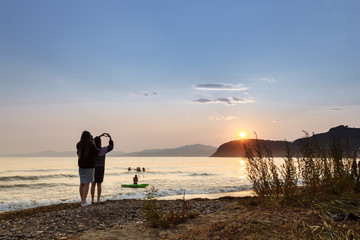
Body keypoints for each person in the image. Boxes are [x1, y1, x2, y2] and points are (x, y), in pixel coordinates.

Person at [76, 131, 99, 207]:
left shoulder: (78, 144)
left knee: (82, 183)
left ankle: (82, 200)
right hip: (89, 166)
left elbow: (78, 153)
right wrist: (93, 142)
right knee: (87, 183)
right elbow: (97, 152)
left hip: (81, 166)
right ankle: (83, 201)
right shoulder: (91, 144)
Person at [91, 133, 114, 203]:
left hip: (93, 168)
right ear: (100, 142)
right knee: (99, 184)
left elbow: (92, 143)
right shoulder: (103, 150)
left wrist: (99, 136)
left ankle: (92, 199)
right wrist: (110, 138)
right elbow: (111, 146)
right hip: (101, 168)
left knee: (93, 184)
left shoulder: (93, 149)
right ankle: (98, 199)